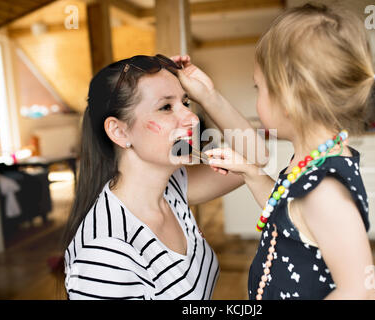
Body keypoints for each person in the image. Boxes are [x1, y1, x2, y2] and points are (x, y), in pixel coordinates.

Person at [180, 3, 375, 299]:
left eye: (258, 88)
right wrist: (252, 174)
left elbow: (360, 291)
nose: (256, 99)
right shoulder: (311, 162)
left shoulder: (325, 191)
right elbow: (289, 216)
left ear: (289, 99)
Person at [62, 54, 266, 300]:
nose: (192, 119)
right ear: (119, 131)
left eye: (187, 103)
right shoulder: (104, 250)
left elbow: (254, 158)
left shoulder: (172, 188)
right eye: (166, 107)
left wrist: (209, 95)